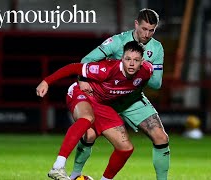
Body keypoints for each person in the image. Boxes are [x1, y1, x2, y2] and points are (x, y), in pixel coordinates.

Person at [71, 8, 170, 180]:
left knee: (161, 137)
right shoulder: (117, 42)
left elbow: (156, 84)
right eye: (144, 28)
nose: (147, 34)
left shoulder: (156, 48)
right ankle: (74, 175)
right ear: (136, 24)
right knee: (90, 134)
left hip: (132, 99)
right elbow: (86, 61)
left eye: (151, 30)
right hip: (105, 99)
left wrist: (143, 67)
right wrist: (83, 78)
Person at [36, 41, 153, 180]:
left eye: (136, 60)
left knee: (125, 148)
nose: (131, 64)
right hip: (83, 93)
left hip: (102, 105)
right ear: (122, 58)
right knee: (87, 119)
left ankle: (84, 178)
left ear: (142, 61)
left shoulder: (146, 72)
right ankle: (58, 167)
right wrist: (46, 81)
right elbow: (74, 68)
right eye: (128, 59)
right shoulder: (107, 69)